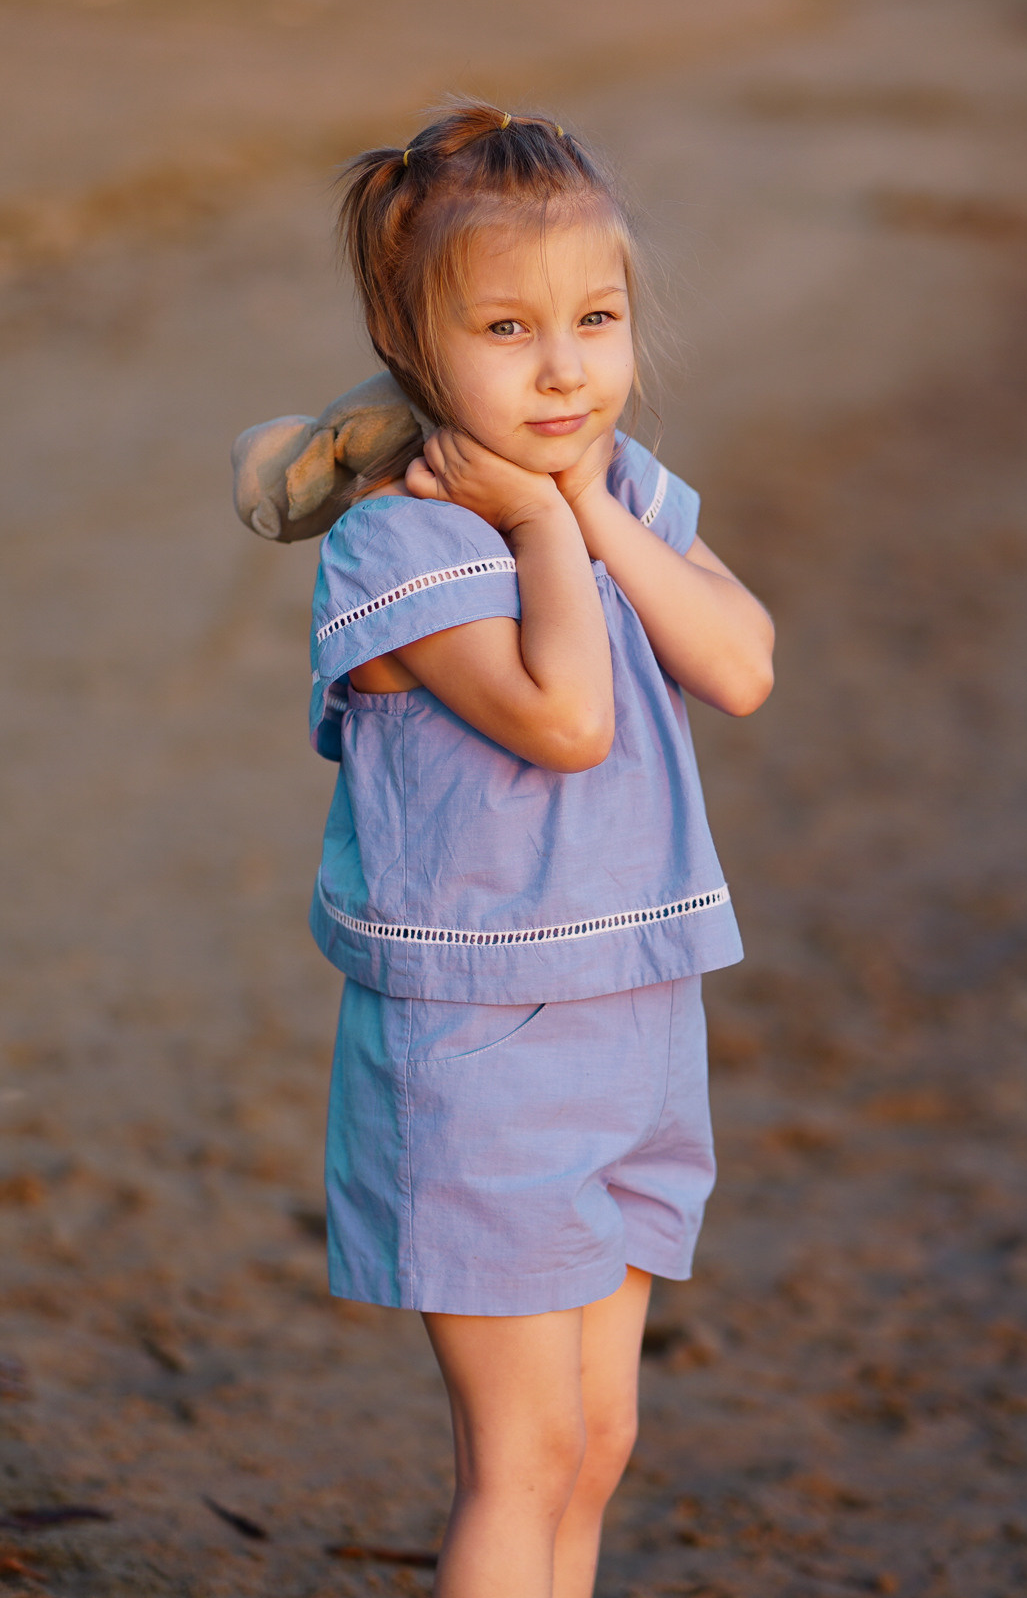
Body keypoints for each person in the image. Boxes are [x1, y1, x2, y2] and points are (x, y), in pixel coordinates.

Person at [301, 100, 774, 1598]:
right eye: (507, 329)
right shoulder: (399, 545)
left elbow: (743, 662)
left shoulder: (622, 490)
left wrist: (582, 505)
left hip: (637, 1013)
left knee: (599, 1438)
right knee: (520, 1454)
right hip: (482, 1045)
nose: (564, 365)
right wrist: (539, 522)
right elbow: (564, 717)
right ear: (416, 351)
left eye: (595, 318)